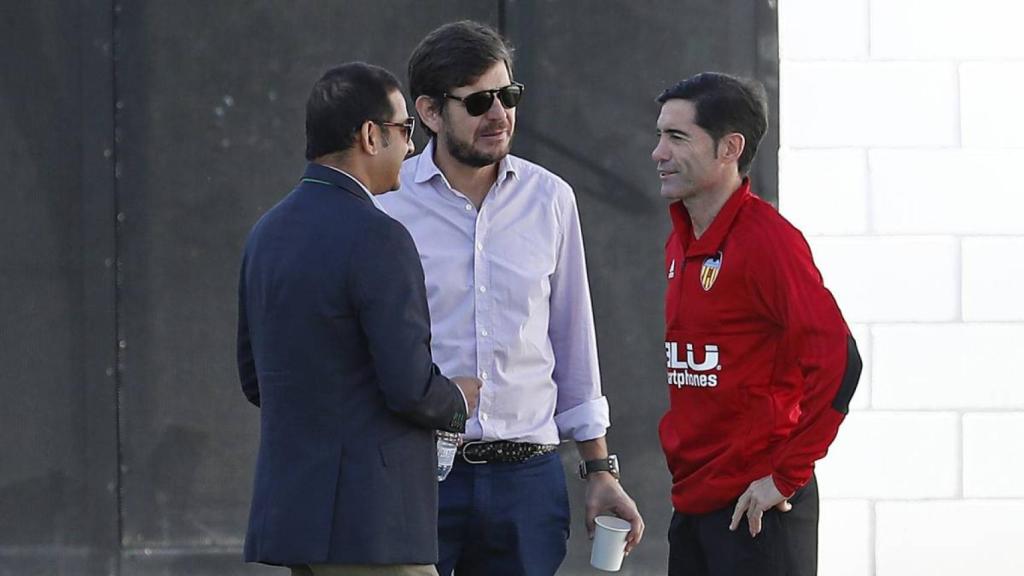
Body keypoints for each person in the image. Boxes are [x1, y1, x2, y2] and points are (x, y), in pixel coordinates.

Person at [378, 20, 643, 576]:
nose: (499, 115)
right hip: (421, 474)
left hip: (529, 480)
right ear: (429, 113)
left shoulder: (550, 200)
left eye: (509, 96)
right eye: (478, 102)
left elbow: (574, 343)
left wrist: (601, 469)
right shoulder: (387, 206)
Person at [237, 62, 481, 576]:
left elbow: (255, 379)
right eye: (404, 131)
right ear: (371, 136)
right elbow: (409, 387)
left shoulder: (266, 232)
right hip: (373, 526)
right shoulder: (380, 236)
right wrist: (457, 400)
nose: (410, 148)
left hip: (296, 518)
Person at [652, 71, 862, 576]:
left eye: (677, 137)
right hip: (695, 505)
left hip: (757, 510)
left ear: (730, 148)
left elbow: (841, 361)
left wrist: (785, 477)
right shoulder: (680, 241)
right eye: (659, 134)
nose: (658, 152)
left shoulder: (769, 240)